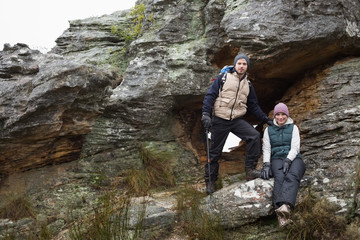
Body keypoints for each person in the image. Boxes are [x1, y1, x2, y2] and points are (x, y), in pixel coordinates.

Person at [201, 53, 273, 194]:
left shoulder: (248, 84)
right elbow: (210, 96)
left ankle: (250, 171)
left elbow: (253, 105)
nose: (241, 66)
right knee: (214, 153)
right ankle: (210, 182)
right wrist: (205, 114)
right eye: (239, 63)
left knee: (254, 135)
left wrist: (265, 119)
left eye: (244, 64)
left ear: (247, 66)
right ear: (235, 64)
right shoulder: (223, 78)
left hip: (236, 120)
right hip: (220, 119)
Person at [260, 102, 306, 227]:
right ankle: (281, 217)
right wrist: (266, 165)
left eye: (283, 114)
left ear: (287, 115)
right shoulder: (268, 130)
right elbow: (267, 149)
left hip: (294, 158)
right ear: (274, 116)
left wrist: (288, 160)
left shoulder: (293, 128)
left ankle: (285, 207)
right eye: (278, 115)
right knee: (279, 178)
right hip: (276, 158)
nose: (280, 117)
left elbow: (295, 147)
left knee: (292, 175)